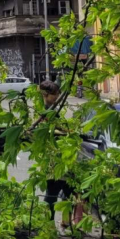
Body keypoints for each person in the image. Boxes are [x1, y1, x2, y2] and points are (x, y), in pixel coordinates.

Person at [40, 80, 85, 227]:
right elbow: (48, 130)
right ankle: (49, 226)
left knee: (69, 192)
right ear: (45, 95)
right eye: (55, 94)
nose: (58, 97)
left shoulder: (54, 109)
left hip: (64, 159)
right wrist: (67, 132)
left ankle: (66, 223)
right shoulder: (44, 111)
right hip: (53, 161)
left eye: (58, 94)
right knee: (52, 195)